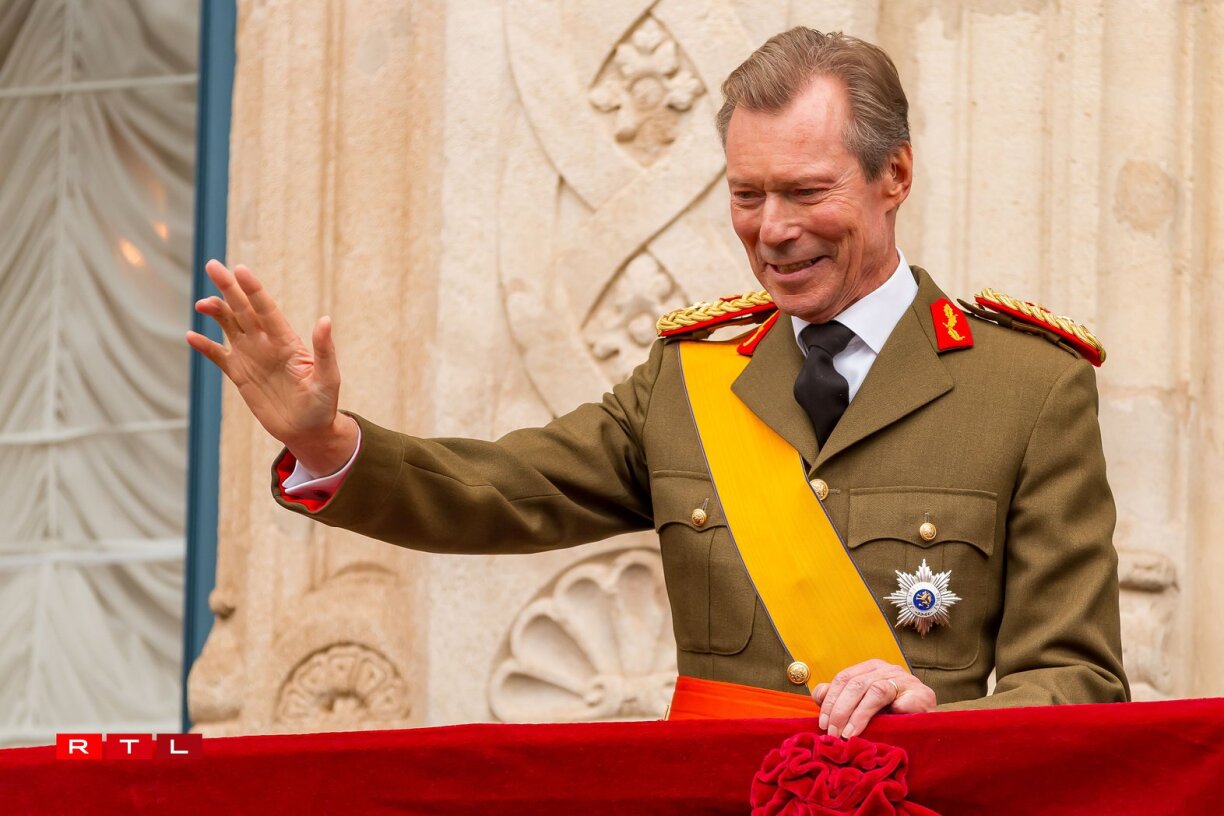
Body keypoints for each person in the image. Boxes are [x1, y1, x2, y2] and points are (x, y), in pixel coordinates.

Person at [187, 28, 1128, 739]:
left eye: (806, 193)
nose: (773, 230)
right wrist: (326, 445)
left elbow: (1077, 680)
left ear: (896, 176)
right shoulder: (692, 378)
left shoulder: (1027, 387)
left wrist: (932, 719)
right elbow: (504, 491)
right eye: (746, 195)